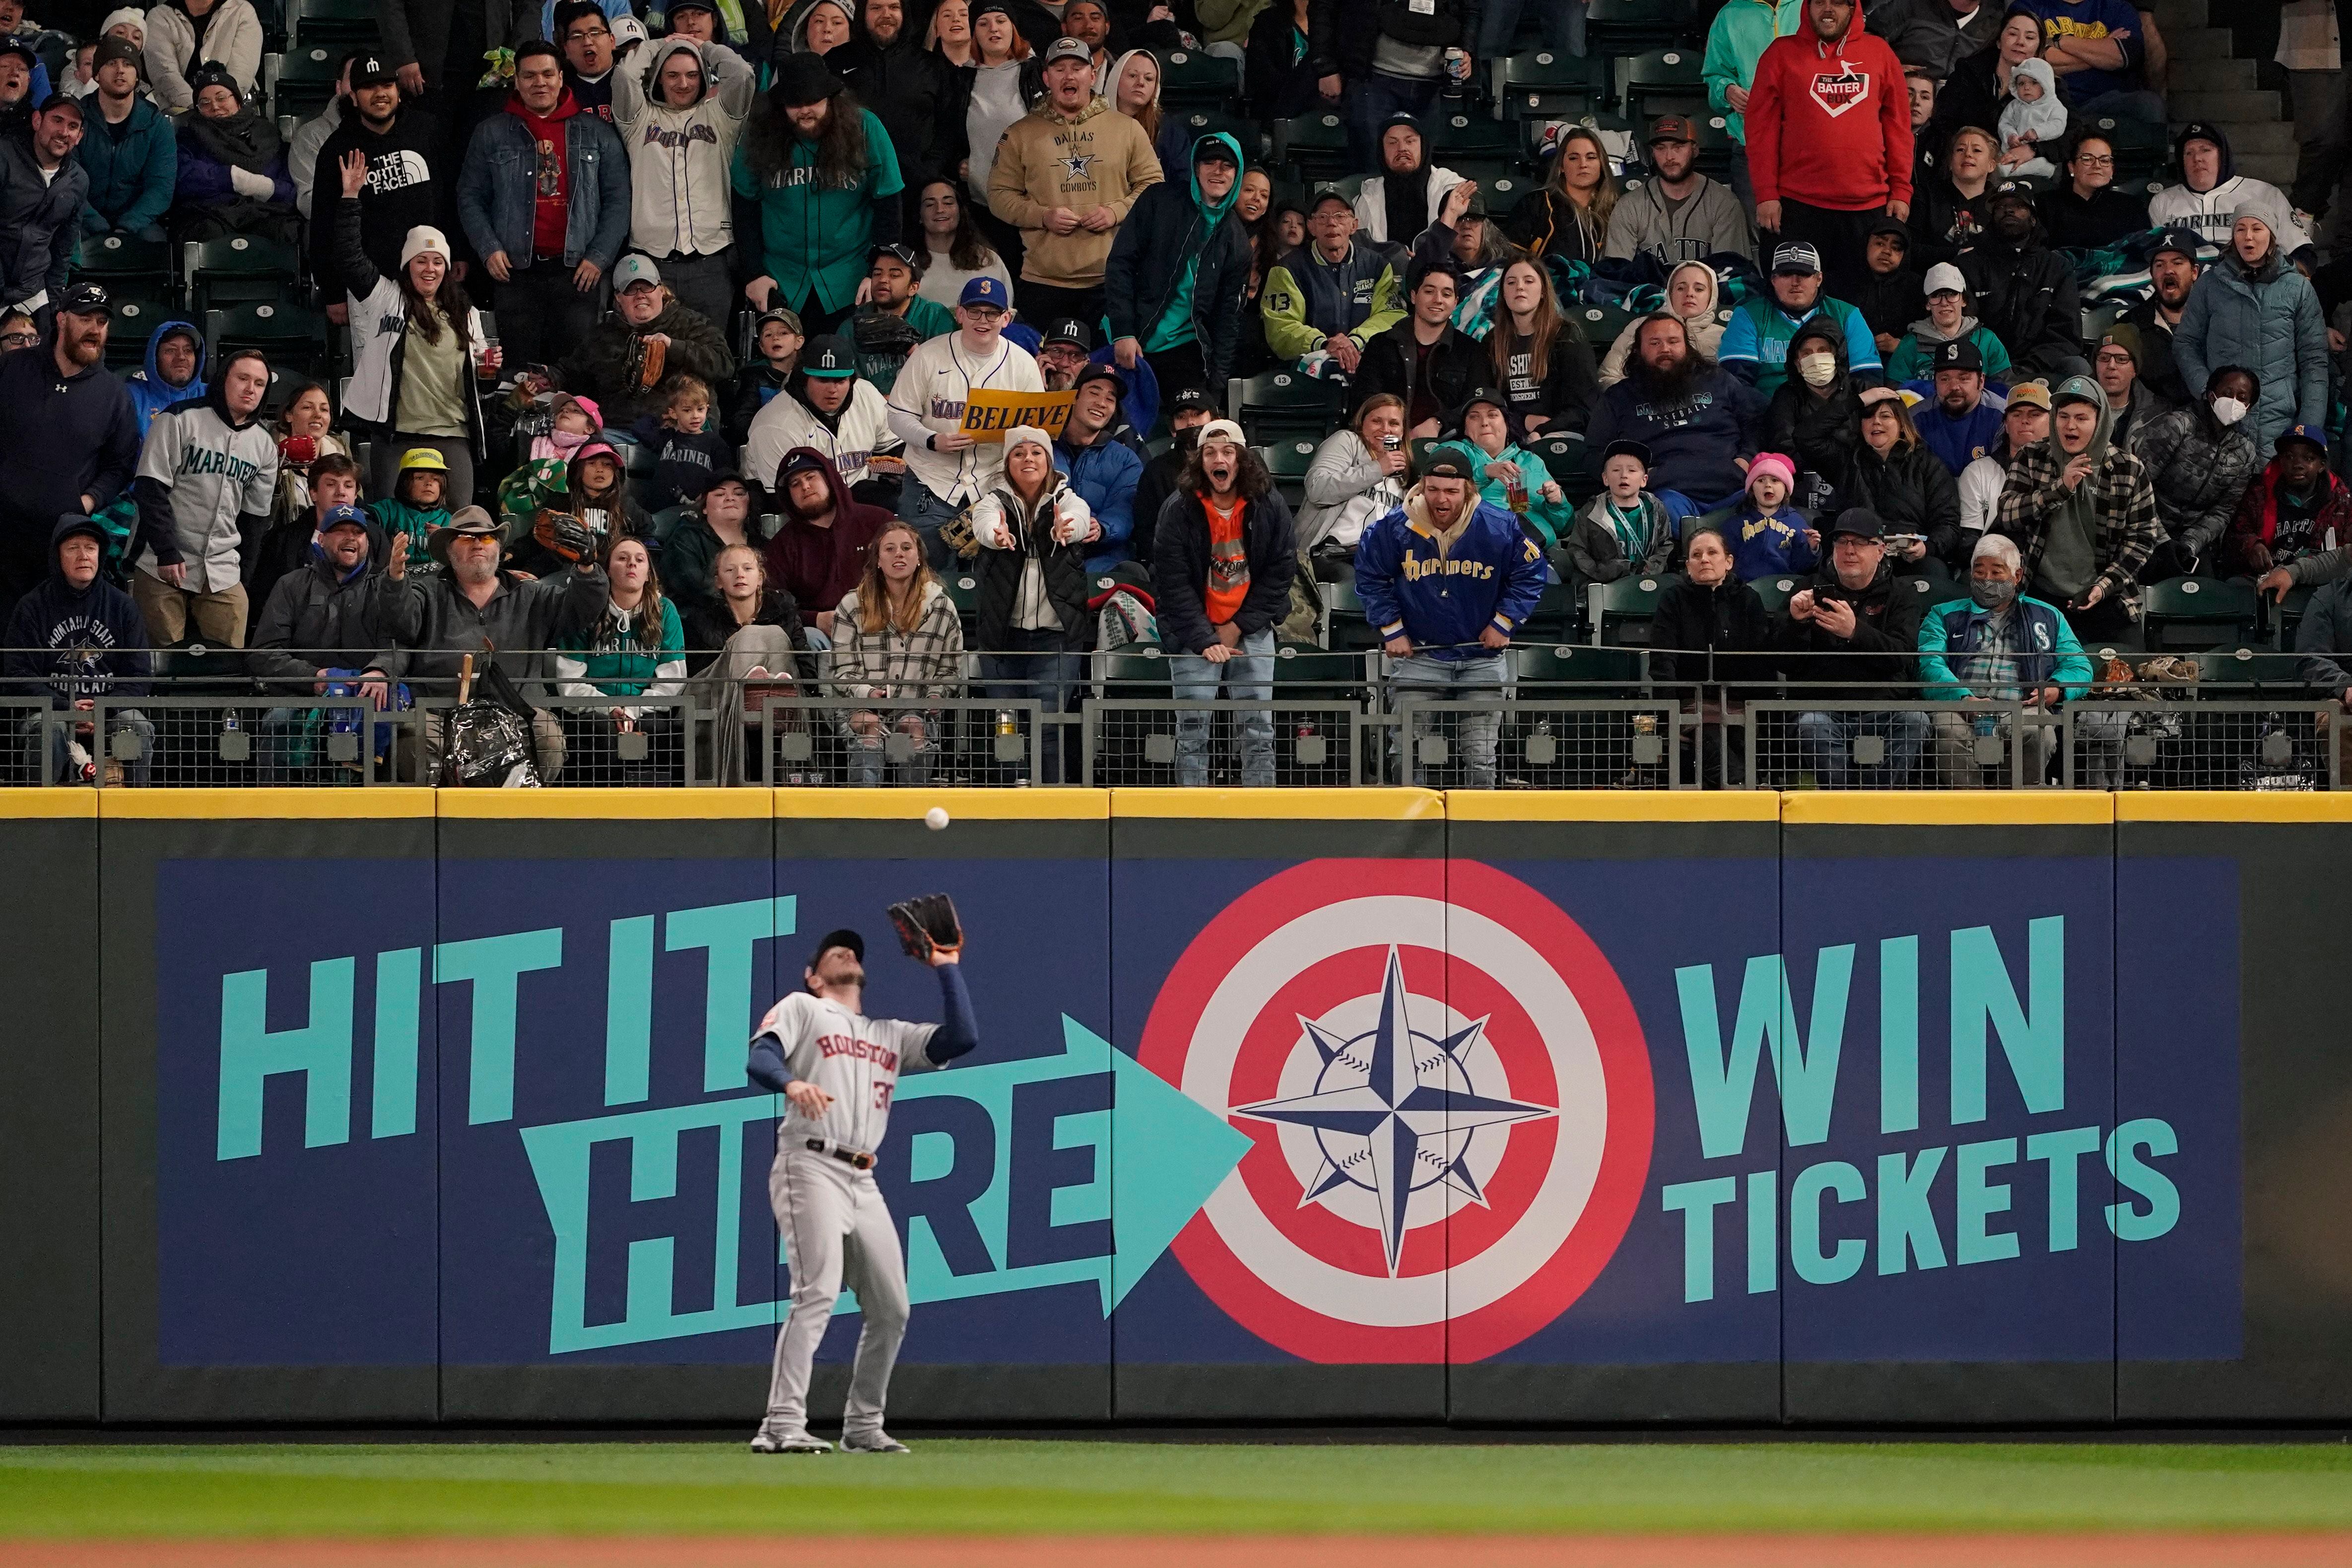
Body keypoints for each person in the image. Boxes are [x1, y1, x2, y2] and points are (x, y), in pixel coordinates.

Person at [746, 920, 979, 1457]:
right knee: (817, 1292)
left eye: (851, 949)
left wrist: (946, 969)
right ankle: (780, 1423)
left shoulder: (888, 1034)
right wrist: (791, 1082)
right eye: (832, 951)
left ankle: (862, 1424)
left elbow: (961, 1038)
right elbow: (760, 1056)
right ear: (812, 975)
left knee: (893, 1308)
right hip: (809, 1165)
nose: (846, 951)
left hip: (862, 1178)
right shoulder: (803, 1008)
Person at [1354, 449, 1545, 789]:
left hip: (1481, 659)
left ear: (1469, 490)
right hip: (1420, 656)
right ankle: (1407, 832)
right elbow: (1369, 576)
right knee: (1405, 753)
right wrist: (1391, 629)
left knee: (1481, 755)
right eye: (1433, 489)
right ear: (1422, 487)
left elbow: (1531, 572)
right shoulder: (1394, 527)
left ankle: (1477, 832)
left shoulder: (1499, 524)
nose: (1441, 499)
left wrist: (1505, 621)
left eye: (1451, 491)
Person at [378, 505, 609, 779]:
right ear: (450, 553)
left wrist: (587, 566)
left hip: (516, 713)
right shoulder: (428, 591)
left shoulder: (533, 595)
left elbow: (583, 610)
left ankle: (518, 814)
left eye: (487, 538)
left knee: (547, 737)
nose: (478, 543)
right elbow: (400, 621)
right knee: (416, 738)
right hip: (440, 715)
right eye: (465, 538)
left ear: (498, 549)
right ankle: (442, 817)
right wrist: (395, 580)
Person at [333, 156, 500, 506]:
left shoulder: (466, 313)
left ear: (446, 267)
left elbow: (482, 384)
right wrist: (351, 197)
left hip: (452, 433)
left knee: (460, 522)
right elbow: (349, 257)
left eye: (437, 261)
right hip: (397, 436)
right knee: (393, 523)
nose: (429, 268)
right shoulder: (385, 297)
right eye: (421, 261)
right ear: (407, 266)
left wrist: (490, 372)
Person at [457, 40, 631, 373]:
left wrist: (599, 256)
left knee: (577, 375)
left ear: (562, 77)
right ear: (517, 81)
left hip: (579, 275)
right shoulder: (490, 133)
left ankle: (571, 427)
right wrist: (488, 249)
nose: (540, 83)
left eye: (548, 74)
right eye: (530, 76)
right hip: (516, 275)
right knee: (518, 377)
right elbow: (469, 196)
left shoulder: (598, 133)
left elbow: (619, 200)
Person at [1746, 0, 1914, 299]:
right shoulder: (1780, 54)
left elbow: (1899, 128)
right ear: (1806, 7)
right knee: (1792, 302)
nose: (1828, 10)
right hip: (1797, 206)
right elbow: (1761, 130)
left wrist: (1901, 189)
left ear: (1853, 8)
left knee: (1860, 308)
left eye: (1837, 3)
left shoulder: (1880, 53)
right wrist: (1766, 194)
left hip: (1867, 208)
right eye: (1820, 2)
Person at [988, 37, 1160, 328]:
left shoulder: (1127, 129)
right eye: (1059, 69)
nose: (1069, 75)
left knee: (1108, 371)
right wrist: (1043, 216)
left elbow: (1154, 187)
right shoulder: (1019, 134)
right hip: (1043, 282)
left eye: (1078, 68)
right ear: (1046, 78)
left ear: (1092, 76)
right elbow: (998, 195)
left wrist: (1115, 212)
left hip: (1112, 280)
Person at [737, 52, 907, 339]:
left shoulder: (866, 127)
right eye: (795, 104)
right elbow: (744, 208)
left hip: (850, 279)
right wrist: (753, 274)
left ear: (831, 97)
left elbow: (888, 203)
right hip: (781, 281)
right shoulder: (759, 134)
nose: (805, 111)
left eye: (813, 101)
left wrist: (877, 272)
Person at [0, 284, 139, 625]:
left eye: (102, 322)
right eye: (85, 318)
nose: (95, 329)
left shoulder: (114, 394)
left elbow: (120, 466)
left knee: (51, 638)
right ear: (61, 320)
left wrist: (86, 503)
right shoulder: (11, 368)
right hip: (3, 532)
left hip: (61, 537)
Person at [966, 424, 1097, 781]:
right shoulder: (992, 501)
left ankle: (1050, 808)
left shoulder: (1067, 500)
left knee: (1048, 727)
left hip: (1054, 639)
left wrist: (1065, 529)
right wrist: (997, 535)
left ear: (1048, 460)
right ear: (1008, 462)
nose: (1028, 459)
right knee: (1006, 728)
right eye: (1019, 453)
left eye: (1037, 452)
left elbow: (1080, 520)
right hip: (1001, 639)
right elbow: (984, 525)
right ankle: (1013, 806)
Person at [883, 275, 1043, 566]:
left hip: (994, 485)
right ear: (959, 314)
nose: (983, 320)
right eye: (974, 311)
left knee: (993, 581)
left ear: (1006, 318)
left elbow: (1037, 432)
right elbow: (897, 414)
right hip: (930, 482)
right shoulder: (928, 356)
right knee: (925, 576)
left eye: (992, 313)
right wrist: (932, 440)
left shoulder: (1023, 365)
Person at [1991, 375, 2162, 642]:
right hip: (2040, 594)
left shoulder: (2128, 468)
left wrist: (2103, 587)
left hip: (2106, 594)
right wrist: (2060, 488)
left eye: (2081, 418)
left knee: (2125, 676)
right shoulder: (2032, 456)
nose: (2070, 426)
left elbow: (2143, 539)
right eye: (2063, 417)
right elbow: (2008, 514)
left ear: (2100, 421)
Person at [127, 346, 275, 646]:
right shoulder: (179, 419)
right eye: (242, 379)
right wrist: (166, 551)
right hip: (160, 560)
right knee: (161, 664)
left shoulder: (265, 445)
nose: (250, 389)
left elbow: (255, 520)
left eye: (259, 384)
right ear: (223, 380)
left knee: (227, 667)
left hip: (222, 569)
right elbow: (150, 488)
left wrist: (242, 576)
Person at [1917, 530, 2089, 784]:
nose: (1987, 579)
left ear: (2017, 576)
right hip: (1960, 705)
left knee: (2038, 733)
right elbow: (1929, 664)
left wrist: (2057, 689)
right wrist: (1963, 697)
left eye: (1997, 572)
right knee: (1947, 732)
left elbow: (2079, 665)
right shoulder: (1942, 614)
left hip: (2023, 705)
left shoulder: (2048, 615)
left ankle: (2010, 807)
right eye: (1979, 571)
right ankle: (1971, 813)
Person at [1772, 506, 1928, 783]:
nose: (1849, 550)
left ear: (1880, 550)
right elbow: (1784, 662)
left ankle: (1876, 811)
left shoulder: (1902, 595)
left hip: (1884, 709)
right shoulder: (1807, 590)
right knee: (1812, 726)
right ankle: (1840, 811)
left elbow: (1901, 656)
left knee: (1914, 721)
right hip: (1822, 708)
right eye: (1841, 542)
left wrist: (1855, 632)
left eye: (1859, 543)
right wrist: (1797, 624)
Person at [247, 501, 406, 770]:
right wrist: (316, 678)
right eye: (340, 531)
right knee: (279, 720)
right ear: (321, 540)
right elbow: (264, 654)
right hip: (302, 698)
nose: (350, 538)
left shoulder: (385, 586)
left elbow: (400, 643)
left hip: (367, 697)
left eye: (357, 532)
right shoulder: (291, 584)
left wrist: (381, 672)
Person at [612, 37, 754, 328]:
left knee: (708, 356)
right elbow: (625, 75)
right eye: (672, 75)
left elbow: (741, 74)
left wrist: (705, 46)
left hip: (712, 261)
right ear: (658, 79)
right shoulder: (639, 119)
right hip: (652, 264)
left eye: (692, 75)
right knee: (656, 359)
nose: (684, 84)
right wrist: (660, 44)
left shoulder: (721, 115)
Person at [1102, 131, 1252, 404]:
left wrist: (1215, 388)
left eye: (1227, 165)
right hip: (1126, 337)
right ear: (1196, 168)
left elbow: (1228, 319)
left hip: (1184, 350)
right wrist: (1124, 332)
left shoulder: (1237, 240)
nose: (1218, 172)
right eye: (1210, 163)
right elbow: (1120, 265)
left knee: (1191, 433)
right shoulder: (1158, 200)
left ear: (1237, 173)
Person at [3, 513, 151, 784]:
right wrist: (67, 706)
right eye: (74, 548)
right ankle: (43, 816)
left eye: (91, 548)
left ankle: (133, 815)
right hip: (52, 711)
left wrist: (103, 709)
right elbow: (18, 675)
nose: (84, 556)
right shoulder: (32, 607)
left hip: (109, 712)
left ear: (100, 555)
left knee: (136, 724)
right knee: (49, 727)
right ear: (58, 556)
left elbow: (139, 676)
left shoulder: (123, 606)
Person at [2175, 207, 2329, 461]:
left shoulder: (2299, 289)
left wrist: (2308, 430)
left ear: (2272, 235)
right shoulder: (2209, 284)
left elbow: (2314, 361)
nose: (2248, 237)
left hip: (2278, 424)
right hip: (2218, 424)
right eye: (2240, 229)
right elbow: (2186, 344)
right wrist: (2209, 393)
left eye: (2257, 229)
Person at [1586, 312, 1764, 520]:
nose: (1665, 349)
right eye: (1654, 343)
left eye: (1673, 341)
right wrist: (1635, 474)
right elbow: (1594, 453)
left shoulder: (1719, 379)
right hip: (1665, 496)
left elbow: (1754, 423)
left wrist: (1747, 458)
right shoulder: (1618, 397)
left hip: (1734, 488)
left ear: (1686, 346)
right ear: (1638, 350)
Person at [829, 517, 963, 786]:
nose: (899, 554)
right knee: (870, 727)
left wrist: (937, 695)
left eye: (906, 548)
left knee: (911, 726)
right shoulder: (852, 605)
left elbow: (951, 670)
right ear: (878, 560)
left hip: (917, 706)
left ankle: (910, 806)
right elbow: (841, 671)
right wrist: (869, 693)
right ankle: (867, 808)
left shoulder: (942, 608)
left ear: (919, 558)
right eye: (889, 549)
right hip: (862, 705)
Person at [307, 56, 442, 318]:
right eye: (369, 87)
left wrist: (457, 255)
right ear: (354, 98)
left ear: (398, 92)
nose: (380, 94)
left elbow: (447, 199)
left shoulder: (427, 131)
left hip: (430, 276)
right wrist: (333, 293)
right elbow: (323, 225)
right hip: (368, 286)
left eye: (387, 85)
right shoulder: (336, 149)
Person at [552, 532, 687, 777]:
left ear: (649, 574)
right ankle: (608, 806)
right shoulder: (585, 608)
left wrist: (633, 709)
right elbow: (570, 683)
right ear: (607, 571)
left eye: (639, 559)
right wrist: (611, 707)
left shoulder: (665, 611)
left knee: (654, 731)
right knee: (604, 734)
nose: (632, 564)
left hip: (645, 710)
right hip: (593, 710)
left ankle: (641, 803)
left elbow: (672, 680)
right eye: (622, 558)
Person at [553, 253, 736, 428]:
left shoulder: (692, 323)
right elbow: (572, 373)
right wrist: (548, 378)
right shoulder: (602, 335)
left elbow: (724, 365)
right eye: (630, 289)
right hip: (617, 431)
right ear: (618, 298)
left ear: (661, 290)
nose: (640, 295)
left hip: (680, 430)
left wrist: (673, 348)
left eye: (647, 287)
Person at [1654, 524, 1773, 782]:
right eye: (1696, 555)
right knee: (1713, 739)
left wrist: (1759, 711)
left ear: (1728, 562)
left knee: (1743, 741)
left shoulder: (1749, 599)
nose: (1704, 559)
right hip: (1693, 704)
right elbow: (1663, 661)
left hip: (1743, 704)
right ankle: (1744, 796)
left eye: (1712, 553)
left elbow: (1762, 661)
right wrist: (1671, 716)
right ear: (1688, 566)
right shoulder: (1673, 599)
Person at [1308, 0, 1477, 177]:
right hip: (1372, 79)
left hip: (1433, 86)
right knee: (1372, 175)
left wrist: (1466, 50)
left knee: (1422, 177)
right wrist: (1325, 68)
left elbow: (1471, 10)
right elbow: (1323, 6)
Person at [1260, 190, 1405, 375]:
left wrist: (1356, 340)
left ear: (1354, 226)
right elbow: (1280, 327)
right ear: (1311, 227)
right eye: (1322, 217)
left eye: (1340, 216)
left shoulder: (1377, 265)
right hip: (1306, 375)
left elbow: (1392, 315)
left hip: (1370, 369)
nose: (1332, 223)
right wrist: (1325, 344)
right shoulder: (1286, 270)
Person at [2133, 364, 2259, 574]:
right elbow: (2138, 485)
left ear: (2249, 407)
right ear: (2211, 396)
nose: (2233, 401)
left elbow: (2223, 512)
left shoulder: (2246, 453)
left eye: (2242, 397)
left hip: (2194, 541)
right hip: (2146, 526)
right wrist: (2163, 540)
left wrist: (2190, 544)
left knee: (2203, 589)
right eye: (2227, 394)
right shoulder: (2178, 426)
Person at [744, 332, 903, 494]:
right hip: (797, 501)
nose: (832, 390)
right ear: (805, 378)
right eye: (823, 380)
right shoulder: (776, 425)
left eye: (840, 381)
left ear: (852, 380)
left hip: (856, 491)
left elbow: (895, 447)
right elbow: (782, 497)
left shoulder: (866, 395)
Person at [1720, 241, 1884, 396]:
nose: (1795, 282)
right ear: (1773, 279)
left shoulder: (1847, 314)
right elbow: (1736, 385)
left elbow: (1867, 380)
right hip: (1767, 414)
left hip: (1837, 411)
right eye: (1786, 274)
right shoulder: (1748, 315)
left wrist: (1836, 414)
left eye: (1804, 274)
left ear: (1819, 279)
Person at [832, 0, 966, 189]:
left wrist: (928, 171)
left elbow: (948, 128)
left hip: (917, 189)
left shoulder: (932, 66)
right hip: (850, 187)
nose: (886, 14)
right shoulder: (834, 62)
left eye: (894, 7)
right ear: (863, 14)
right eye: (876, 8)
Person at [766, 446, 889, 644]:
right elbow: (772, 605)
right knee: (808, 638)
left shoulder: (878, 521)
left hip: (883, 621)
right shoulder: (783, 544)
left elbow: (909, 576)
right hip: (821, 634)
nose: (805, 487)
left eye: (811, 477)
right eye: (795, 483)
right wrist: (815, 619)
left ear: (829, 479)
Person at [1958, 184, 2083, 379]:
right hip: (1980, 369)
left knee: (2077, 367)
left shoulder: (2057, 268)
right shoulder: (1967, 265)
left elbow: (2066, 334)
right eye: (2001, 207)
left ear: (2034, 219)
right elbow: (1958, 326)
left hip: (2039, 369)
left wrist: (2030, 367)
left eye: (2019, 206)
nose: (2009, 210)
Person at [1356, 260, 1485, 439]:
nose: (1438, 300)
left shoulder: (1471, 351)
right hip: (1385, 441)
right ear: (1414, 296)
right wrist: (1393, 431)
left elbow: (1478, 403)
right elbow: (1365, 399)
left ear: (1455, 303)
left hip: (1448, 444)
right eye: (1429, 291)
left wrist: (1438, 422)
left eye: (1446, 294)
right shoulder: (1381, 345)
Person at [1835, 384, 1962, 567]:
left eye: (1886, 416)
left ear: (1902, 424)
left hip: (1911, 558)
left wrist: (1927, 547)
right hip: (1858, 553)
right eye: (1868, 416)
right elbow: (1807, 436)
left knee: (1934, 572)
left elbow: (1948, 522)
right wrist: (1858, 401)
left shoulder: (1927, 464)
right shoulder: (1848, 460)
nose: (1876, 422)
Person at [168, 64, 296, 245]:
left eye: (221, 98)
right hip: (211, 213)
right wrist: (232, 178)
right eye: (205, 102)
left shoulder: (268, 134)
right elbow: (185, 178)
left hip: (264, 212)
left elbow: (290, 189)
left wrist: (265, 187)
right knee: (206, 234)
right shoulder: (190, 137)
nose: (215, 106)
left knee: (287, 232)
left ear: (237, 100)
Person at [1431, 384, 1571, 547]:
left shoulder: (1531, 461)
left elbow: (1564, 528)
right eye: (1474, 417)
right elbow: (1439, 493)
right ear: (1466, 427)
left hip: (1536, 554)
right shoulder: (1451, 452)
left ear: (1507, 423)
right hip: (1473, 554)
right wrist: (1485, 473)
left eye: (1492, 415)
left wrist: (1556, 503)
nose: (1484, 423)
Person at [1607, 115, 1755, 266]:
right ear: (1652, 153)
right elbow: (1616, 275)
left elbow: (1731, 274)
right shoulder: (1629, 206)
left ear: (1695, 150)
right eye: (1660, 148)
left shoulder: (1724, 204)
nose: (1669, 157)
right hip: (1648, 290)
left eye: (1678, 147)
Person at [2149, 122, 2308, 256]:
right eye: (2189, 153)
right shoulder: (2163, 202)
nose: (2197, 159)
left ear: (2222, 155)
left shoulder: (2264, 194)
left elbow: (2300, 251)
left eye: (2206, 150)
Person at [1704, 0, 1804, 214]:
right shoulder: (1730, 14)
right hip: (1751, 144)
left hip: (1809, 148)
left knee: (1809, 234)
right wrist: (1727, 90)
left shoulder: (1811, 5)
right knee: (1757, 236)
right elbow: (1713, 76)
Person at [1483, 253, 1596, 440]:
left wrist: (1543, 430)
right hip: (1506, 435)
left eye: (1529, 281)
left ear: (1543, 291)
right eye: (1511, 283)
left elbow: (1584, 409)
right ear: (1503, 293)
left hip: (1560, 435)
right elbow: (1484, 404)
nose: (1519, 287)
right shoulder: (1491, 342)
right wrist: (1524, 421)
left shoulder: (1567, 337)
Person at [74, 36, 172, 243]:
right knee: (68, 239)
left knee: (156, 244)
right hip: (84, 220)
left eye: (128, 64)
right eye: (111, 63)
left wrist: (128, 226)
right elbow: (68, 181)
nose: (120, 70)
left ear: (137, 77)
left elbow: (161, 187)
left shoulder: (156, 124)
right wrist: (97, 226)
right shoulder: (76, 118)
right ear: (97, 75)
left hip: (138, 222)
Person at [2221, 423, 2351, 579]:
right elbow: (2235, 536)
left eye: (2309, 458)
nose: (2298, 465)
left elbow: (2344, 556)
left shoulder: (2340, 502)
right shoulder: (2259, 491)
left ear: (2322, 466)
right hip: (2259, 578)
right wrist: (2252, 546)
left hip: (2313, 581)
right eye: (2289, 457)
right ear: (2280, 461)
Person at [1, 95, 89, 321]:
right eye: (57, 121)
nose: (64, 132)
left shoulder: (78, 180)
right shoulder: (4, 156)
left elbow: (63, 249)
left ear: (79, 137)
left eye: (73, 126)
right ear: (37, 121)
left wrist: (54, 304)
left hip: (35, 293)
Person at [961, 0, 1032, 271]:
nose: (994, 28)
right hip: (982, 206)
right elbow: (949, 132)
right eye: (983, 23)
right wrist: (957, 160)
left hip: (1032, 201)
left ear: (1013, 28)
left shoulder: (1035, 72)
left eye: (1001, 21)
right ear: (974, 33)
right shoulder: (962, 79)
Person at [250, 447, 364, 613]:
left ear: (355, 494)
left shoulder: (374, 537)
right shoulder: (284, 540)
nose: (341, 492)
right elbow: (265, 600)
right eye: (331, 484)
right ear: (313, 493)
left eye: (348, 486)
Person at [1295, 391, 1409, 558]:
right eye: (1376, 421)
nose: (1385, 430)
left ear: (1402, 431)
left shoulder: (1406, 467)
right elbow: (1317, 490)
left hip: (1384, 555)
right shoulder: (1347, 441)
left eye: (1394, 423)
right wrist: (1378, 469)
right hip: (1335, 552)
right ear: (1362, 423)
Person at [1055, 361, 1142, 570]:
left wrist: (1103, 528)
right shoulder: (1043, 448)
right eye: (1094, 393)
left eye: (1110, 399)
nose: (1102, 403)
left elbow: (1125, 509)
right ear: (1074, 397)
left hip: (1102, 557)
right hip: (1048, 552)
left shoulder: (1126, 460)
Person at [1767, 319, 1859, 511]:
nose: (1816, 359)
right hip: (1803, 489)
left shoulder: (1861, 391)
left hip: (1859, 485)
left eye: (1823, 350)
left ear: (1838, 355)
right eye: (1807, 353)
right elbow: (1784, 444)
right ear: (1797, 363)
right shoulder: (1786, 396)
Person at [2021, 0, 2160, 120]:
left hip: (2107, 100)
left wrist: (2058, 41)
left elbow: (2126, 56)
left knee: (2149, 104)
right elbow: (2030, 59)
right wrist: (2101, 49)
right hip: (2048, 101)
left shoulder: (2117, 8)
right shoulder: (2029, 6)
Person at [1351, 112, 1466, 253]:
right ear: (1382, 150)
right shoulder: (1365, 199)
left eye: (1410, 141)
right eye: (1393, 142)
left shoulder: (1452, 188)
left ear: (1423, 146)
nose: (1402, 148)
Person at [1597, 260, 1722, 389]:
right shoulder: (1640, 326)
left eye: (1699, 289)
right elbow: (1607, 377)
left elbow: (1730, 389)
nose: (1690, 294)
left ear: (1712, 296)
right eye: (1681, 288)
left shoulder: (1724, 337)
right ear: (1670, 293)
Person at [1565, 438, 1675, 584]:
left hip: (1648, 582)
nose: (1624, 475)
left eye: (1632, 470)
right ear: (1605, 478)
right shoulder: (1592, 512)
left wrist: (1653, 568)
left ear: (1644, 480)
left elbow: (1665, 544)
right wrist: (1606, 572)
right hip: (1605, 585)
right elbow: (1577, 551)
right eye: (1616, 470)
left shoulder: (1656, 508)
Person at [1505, 126, 1616, 269]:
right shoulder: (1535, 204)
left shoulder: (1617, 209)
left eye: (1591, 157)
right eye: (1574, 158)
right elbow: (1511, 261)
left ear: (1602, 164)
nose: (1583, 164)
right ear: (1561, 166)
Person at [852, 242, 955, 394]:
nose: (883, 280)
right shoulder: (854, 325)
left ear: (914, 288)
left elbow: (950, 377)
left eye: (894, 275)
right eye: (877, 273)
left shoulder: (936, 318)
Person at [1885, 262, 2013, 384]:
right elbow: (1895, 394)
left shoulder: (1987, 340)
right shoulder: (1910, 345)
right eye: (1936, 295)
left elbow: (2004, 389)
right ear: (1928, 304)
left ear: (1964, 300)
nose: (1944, 302)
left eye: (1952, 294)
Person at [1133, 385, 1215, 564]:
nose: (1191, 423)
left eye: (1197, 414)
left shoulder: (1237, 463)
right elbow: (1146, 534)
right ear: (1173, 428)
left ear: (1215, 420)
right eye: (1181, 417)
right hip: (1174, 566)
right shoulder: (1156, 470)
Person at [1957, 377, 2048, 538]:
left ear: (2052, 422)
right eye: (2017, 414)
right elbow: (1969, 542)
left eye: (2035, 414)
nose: (2025, 421)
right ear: (2006, 424)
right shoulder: (1977, 472)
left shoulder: (2064, 472)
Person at [2120, 226, 2199, 407]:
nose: (2168, 270)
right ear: (2152, 274)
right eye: (2160, 265)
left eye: (2177, 263)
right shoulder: (2130, 326)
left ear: (2194, 272)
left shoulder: (2218, 321)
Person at [914, 178, 1014, 312]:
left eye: (948, 203)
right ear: (920, 214)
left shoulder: (987, 260)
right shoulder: (906, 261)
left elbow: (1004, 312)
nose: (940, 209)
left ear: (960, 211)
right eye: (930, 205)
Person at [143, 0, 260, 114]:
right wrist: (203, 107)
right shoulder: (159, 16)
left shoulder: (242, 10)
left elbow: (243, 70)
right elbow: (165, 75)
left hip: (232, 113)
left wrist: (221, 103)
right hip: (180, 115)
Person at [1908, 123, 1997, 270]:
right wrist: (1955, 254)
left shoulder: (2002, 203)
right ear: (1950, 163)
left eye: (1977, 150)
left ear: (1992, 165)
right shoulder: (1926, 195)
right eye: (1960, 149)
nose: (1968, 154)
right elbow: (1910, 249)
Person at [1911, 337, 2005, 477]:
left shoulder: (2002, 416)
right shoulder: (1915, 418)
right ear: (1934, 383)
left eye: (1964, 378)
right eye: (1945, 379)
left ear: (1981, 381)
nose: (1954, 387)